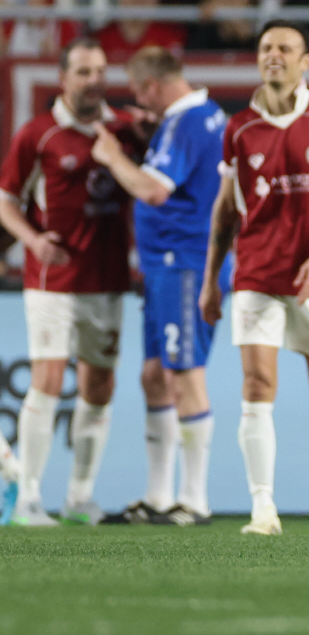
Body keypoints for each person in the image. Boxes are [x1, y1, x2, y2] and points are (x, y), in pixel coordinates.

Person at [198, 20, 309, 536]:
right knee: (256, 383)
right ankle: (262, 507)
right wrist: (210, 280)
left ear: (305, 61)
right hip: (256, 273)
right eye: (266, 47)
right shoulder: (239, 128)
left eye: (285, 48)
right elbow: (225, 211)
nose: (274, 55)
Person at [0, 38, 138, 526]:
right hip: (51, 280)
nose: (93, 80)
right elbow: (6, 202)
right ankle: (31, 498)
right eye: (82, 71)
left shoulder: (124, 129)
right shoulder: (37, 134)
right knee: (49, 379)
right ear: (63, 78)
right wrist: (32, 243)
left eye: (100, 70)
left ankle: (80, 496)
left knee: (99, 385)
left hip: (107, 279)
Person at [90, 47, 229, 526]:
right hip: (163, 267)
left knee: (184, 374)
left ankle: (195, 500)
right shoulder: (204, 116)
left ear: (151, 87)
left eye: (138, 92)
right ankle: (158, 495)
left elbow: (154, 189)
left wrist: (111, 156)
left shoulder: (186, 123)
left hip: (186, 264)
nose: (138, 102)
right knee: (154, 374)